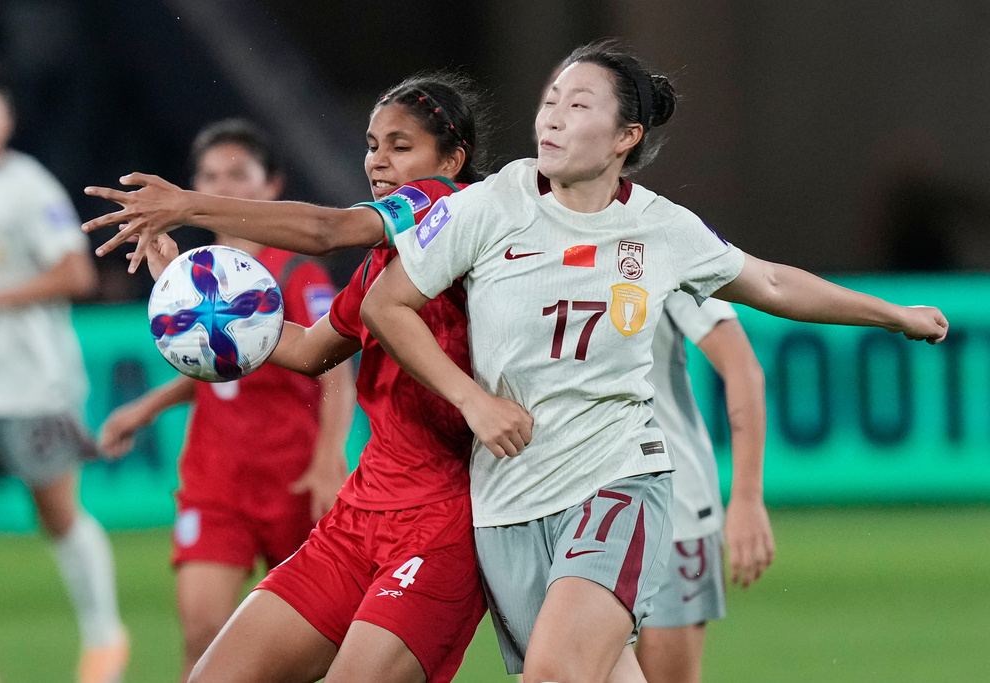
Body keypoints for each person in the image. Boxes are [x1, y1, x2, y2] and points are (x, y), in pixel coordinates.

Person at [355, 40, 947, 683]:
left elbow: (772, 284)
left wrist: (893, 314)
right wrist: (472, 398)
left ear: (624, 136)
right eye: (549, 100)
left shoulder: (661, 228)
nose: (551, 117)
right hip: (508, 498)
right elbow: (386, 307)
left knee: (555, 674)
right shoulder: (493, 204)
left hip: (617, 480)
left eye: (577, 104)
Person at [87, 72, 493, 683]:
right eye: (372, 144)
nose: (378, 160)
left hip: (438, 523)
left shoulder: (445, 203)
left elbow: (327, 230)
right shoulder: (384, 266)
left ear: (452, 159)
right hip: (360, 514)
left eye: (400, 146)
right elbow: (307, 350)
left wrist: (191, 205)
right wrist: (196, 298)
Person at [96, 119, 357, 683]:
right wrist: (147, 408)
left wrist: (327, 456)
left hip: (291, 479)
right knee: (201, 631)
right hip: (216, 483)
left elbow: (337, 366)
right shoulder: (195, 274)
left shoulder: (295, 269)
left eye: (238, 173)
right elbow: (216, 365)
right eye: (211, 175)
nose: (224, 185)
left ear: (272, 185)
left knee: (309, 646)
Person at [0, 54, 128, 683]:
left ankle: (104, 639)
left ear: (7, 119)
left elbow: (77, 272)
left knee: (57, 515)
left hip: (33, 381)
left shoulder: (27, 186)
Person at [635, 291, 771, 683]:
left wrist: (746, 497)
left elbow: (742, 366)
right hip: (562, 503)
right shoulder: (515, 237)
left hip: (674, 506)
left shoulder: (662, 233)